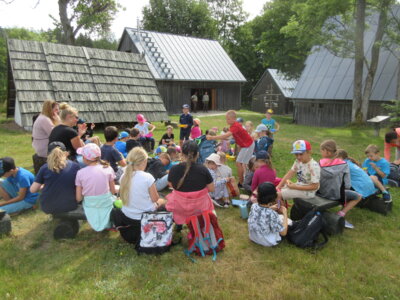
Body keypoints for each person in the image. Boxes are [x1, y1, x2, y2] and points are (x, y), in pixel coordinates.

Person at [113, 147, 165, 244]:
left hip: (128, 216)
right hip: (144, 218)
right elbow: (155, 199)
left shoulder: (124, 176)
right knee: (162, 200)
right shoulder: (147, 177)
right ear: (144, 162)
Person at [166, 141, 215, 225]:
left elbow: (171, 185)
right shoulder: (203, 169)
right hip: (199, 208)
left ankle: (179, 225)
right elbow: (211, 188)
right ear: (197, 154)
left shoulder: (174, 169)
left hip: (179, 207)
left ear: (181, 153)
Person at [318, 140, 362, 229]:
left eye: (321, 150)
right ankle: (341, 213)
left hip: (320, 193)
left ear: (327, 151)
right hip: (337, 196)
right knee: (358, 196)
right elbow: (347, 185)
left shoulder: (319, 163)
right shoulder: (344, 164)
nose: (321, 152)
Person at [206, 110, 255, 187]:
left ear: (234, 119)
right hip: (245, 146)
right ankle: (245, 180)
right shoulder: (233, 126)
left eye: (228, 119)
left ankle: (241, 182)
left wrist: (212, 137)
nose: (227, 120)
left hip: (248, 145)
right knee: (241, 163)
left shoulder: (235, 126)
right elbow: (229, 137)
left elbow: (226, 135)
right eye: (226, 119)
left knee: (239, 163)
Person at [30, 142, 80, 215]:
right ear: (66, 153)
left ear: (48, 154)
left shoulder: (44, 168)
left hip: (48, 206)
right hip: (70, 205)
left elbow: (33, 190)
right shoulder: (75, 166)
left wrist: (43, 186)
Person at [75, 143, 116, 231]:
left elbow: (78, 198)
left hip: (90, 204)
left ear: (85, 158)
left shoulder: (80, 173)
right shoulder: (108, 168)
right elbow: (113, 191)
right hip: (106, 202)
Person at [276, 140, 320, 204]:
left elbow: (315, 186)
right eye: (296, 154)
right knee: (276, 191)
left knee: (277, 194)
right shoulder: (298, 161)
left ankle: (280, 211)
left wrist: (294, 187)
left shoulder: (313, 166)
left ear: (309, 152)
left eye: (301, 154)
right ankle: (281, 207)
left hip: (308, 193)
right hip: (298, 186)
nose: (298, 157)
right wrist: (278, 186)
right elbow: (289, 173)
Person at [248, 182, 289, 247]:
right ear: (273, 197)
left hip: (253, 237)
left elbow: (262, 211)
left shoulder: (254, 206)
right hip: (266, 241)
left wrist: (270, 208)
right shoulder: (272, 214)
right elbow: (283, 233)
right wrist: (285, 213)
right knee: (284, 221)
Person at [32, 100, 60, 174]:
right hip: (44, 149)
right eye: (56, 109)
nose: (58, 111)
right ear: (50, 109)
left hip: (41, 145)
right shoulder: (45, 119)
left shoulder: (43, 117)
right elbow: (55, 134)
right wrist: (59, 121)